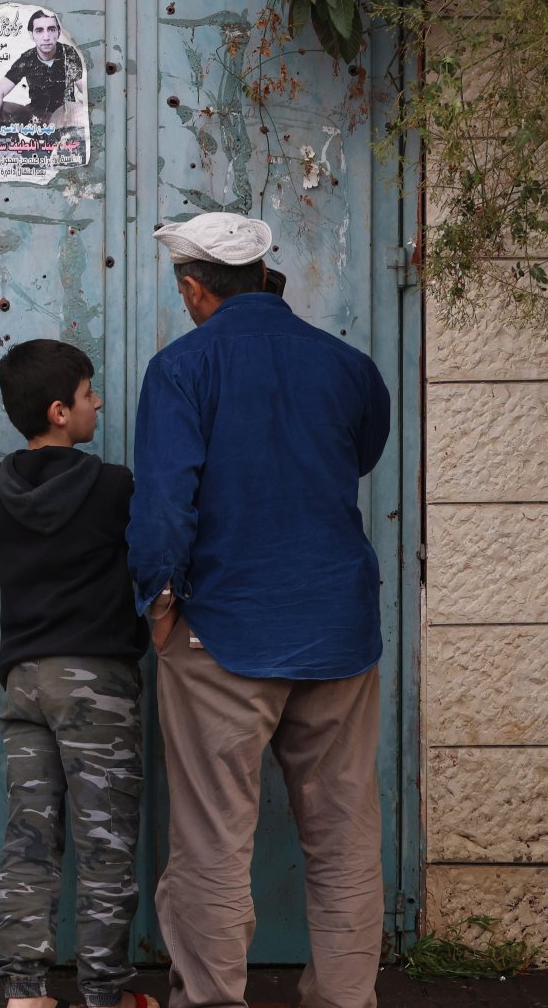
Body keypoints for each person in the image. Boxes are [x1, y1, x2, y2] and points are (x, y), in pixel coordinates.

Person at [129, 212, 391, 1008]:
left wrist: (161, 606)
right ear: (266, 279)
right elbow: (361, 453)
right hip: (340, 633)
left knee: (213, 846)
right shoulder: (349, 367)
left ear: (195, 290)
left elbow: (165, 507)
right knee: (345, 844)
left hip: (224, 636)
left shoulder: (182, 369)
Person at [0, 341, 157, 1008]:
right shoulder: (114, 488)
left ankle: (24, 992)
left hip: (25, 683)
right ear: (60, 411)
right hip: (97, 688)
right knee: (105, 844)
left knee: (30, 838)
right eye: (88, 394)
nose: (98, 403)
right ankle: (105, 995)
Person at [0, 10, 86, 129]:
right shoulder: (27, 58)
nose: (46, 37)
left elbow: (85, 89)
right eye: (39, 30)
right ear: (32, 35)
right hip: (37, 120)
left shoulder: (68, 53)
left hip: (64, 118)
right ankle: (11, 146)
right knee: (2, 108)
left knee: (79, 114)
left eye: (51, 29)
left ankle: (64, 143)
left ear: (58, 32)